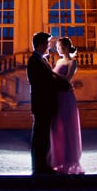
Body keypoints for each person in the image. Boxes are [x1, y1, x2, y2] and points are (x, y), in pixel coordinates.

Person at [26, 31, 71, 176]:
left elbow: (49, 79)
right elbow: (43, 82)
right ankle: (40, 167)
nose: (48, 46)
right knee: (40, 136)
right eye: (46, 44)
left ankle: (42, 165)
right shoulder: (34, 61)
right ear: (40, 45)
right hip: (42, 104)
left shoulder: (42, 60)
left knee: (43, 136)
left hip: (45, 104)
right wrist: (64, 86)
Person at [48, 37, 84, 175]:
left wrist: (51, 74)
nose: (58, 49)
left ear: (67, 47)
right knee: (57, 128)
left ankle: (69, 160)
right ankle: (58, 160)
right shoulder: (58, 61)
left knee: (67, 128)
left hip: (66, 96)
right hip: (57, 95)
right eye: (57, 47)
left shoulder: (72, 62)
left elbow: (67, 79)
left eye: (60, 47)